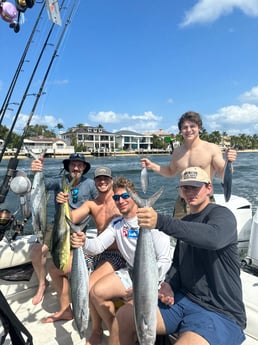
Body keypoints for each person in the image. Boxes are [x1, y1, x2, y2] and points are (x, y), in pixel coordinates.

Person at [109, 167, 246, 345]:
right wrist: (169, 284)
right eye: (185, 188)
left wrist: (160, 221)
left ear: (209, 188)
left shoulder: (222, 215)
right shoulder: (186, 222)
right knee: (124, 317)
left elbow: (214, 238)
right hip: (183, 300)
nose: (190, 192)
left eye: (195, 187)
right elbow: (178, 264)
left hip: (219, 312)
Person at [71, 176, 172, 345]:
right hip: (131, 271)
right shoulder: (117, 224)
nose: (121, 201)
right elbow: (97, 246)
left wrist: (146, 283)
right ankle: (115, 331)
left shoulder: (151, 221)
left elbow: (165, 259)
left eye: (125, 196)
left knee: (133, 312)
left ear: (134, 196)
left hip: (156, 276)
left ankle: (124, 331)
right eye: (116, 198)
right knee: (96, 292)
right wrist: (83, 241)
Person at [56, 166, 126, 344]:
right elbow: (70, 217)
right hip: (95, 250)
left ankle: (99, 329)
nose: (102, 181)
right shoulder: (91, 204)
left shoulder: (120, 202)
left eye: (106, 178)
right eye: (99, 179)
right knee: (58, 267)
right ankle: (66, 309)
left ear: (112, 180)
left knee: (89, 287)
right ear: (94, 182)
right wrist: (61, 202)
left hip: (116, 255)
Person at [30, 153, 98, 308]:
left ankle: (70, 294)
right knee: (36, 252)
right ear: (68, 166)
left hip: (77, 227)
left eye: (79, 165)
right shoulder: (59, 181)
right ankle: (42, 284)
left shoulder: (90, 184)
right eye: (73, 164)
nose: (76, 168)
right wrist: (36, 171)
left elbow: (98, 204)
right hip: (57, 225)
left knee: (67, 263)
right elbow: (39, 187)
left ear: (84, 168)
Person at [141, 111, 237, 217]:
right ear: (180, 131)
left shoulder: (211, 148)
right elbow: (170, 172)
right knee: (177, 233)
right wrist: (152, 165)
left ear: (199, 128)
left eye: (192, 126)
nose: (188, 130)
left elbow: (222, 173)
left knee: (203, 233)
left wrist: (229, 162)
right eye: (185, 127)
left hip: (204, 203)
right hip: (182, 203)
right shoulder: (177, 152)